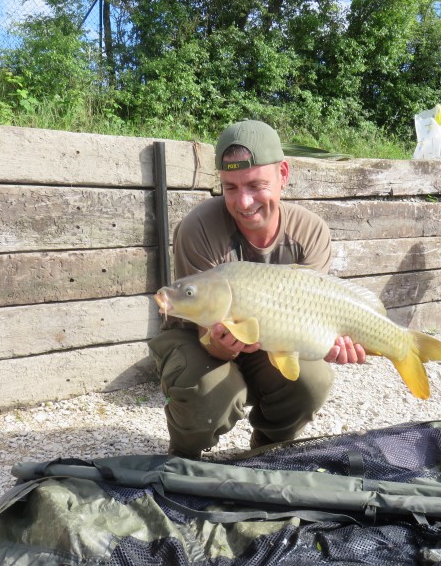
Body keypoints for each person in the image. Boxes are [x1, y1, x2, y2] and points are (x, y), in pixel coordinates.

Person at [148, 120, 366, 459]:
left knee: (313, 378)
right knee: (210, 388)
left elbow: (311, 324)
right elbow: (208, 331)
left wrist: (331, 343)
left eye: (255, 184)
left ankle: (268, 450)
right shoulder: (198, 229)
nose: (243, 202)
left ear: (283, 174)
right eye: (230, 187)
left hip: (274, 337)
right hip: (197, 339)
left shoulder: (310, 232)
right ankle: (185, 452)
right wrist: (226, 347)